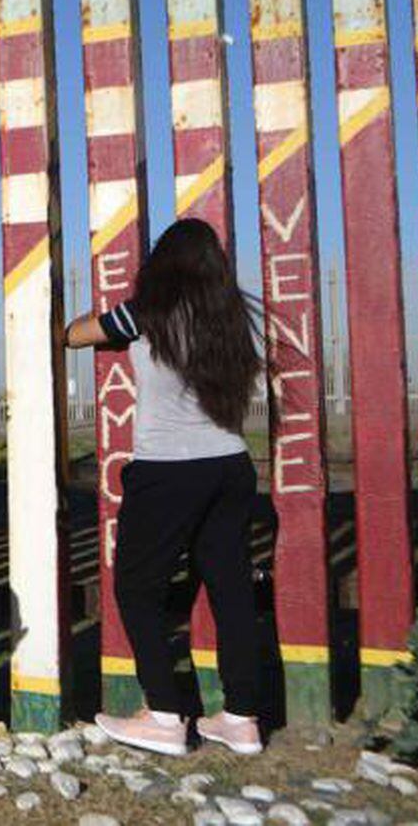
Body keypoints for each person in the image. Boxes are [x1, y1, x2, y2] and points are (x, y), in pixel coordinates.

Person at [65, 217, 265, 757]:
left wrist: (105, 312)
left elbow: (74, 335)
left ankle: (166, 714)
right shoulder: (228, 321)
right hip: (230, 466)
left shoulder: (145, 314)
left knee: (136, 589)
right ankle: (242, 718)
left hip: (169, 470)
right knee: (231, 592)